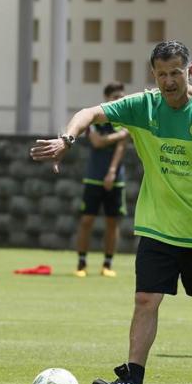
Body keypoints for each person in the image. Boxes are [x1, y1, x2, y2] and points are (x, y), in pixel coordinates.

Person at [31, 41, 192, 384]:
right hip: (158, 226)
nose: (169, 81)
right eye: (161, 73)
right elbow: (90, 112)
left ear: (190, 72)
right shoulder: (142, 106)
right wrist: (67, 139)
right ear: (153, 74)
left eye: (176, 73)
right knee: (145, 300)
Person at [74, 82, 130, 278]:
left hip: (115, 179)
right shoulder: (95, 118)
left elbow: (122, 148)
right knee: (86, 220)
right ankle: (81, 263)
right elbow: (97, 142)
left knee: (113, 221)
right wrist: (120, 135)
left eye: (122, 96)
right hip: (93, 178)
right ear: (107, 98)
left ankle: (107, 263)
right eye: (116, 97)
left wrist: (112, 172)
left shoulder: (124, 120)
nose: (119, 100)